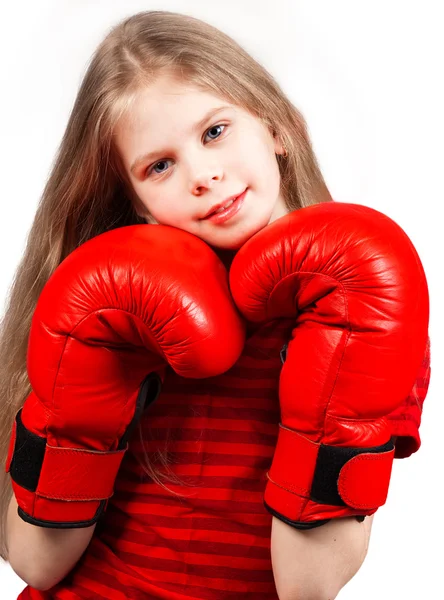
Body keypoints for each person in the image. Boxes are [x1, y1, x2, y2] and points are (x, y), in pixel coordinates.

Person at [0, 10, 430, 600]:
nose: (202, 174)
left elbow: (308, 588)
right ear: (138, 202)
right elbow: (35, 566)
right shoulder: (108, 307)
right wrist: (85, 377)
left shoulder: (362, 297)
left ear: (279, 126)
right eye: (160, 165)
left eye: (214, 132)